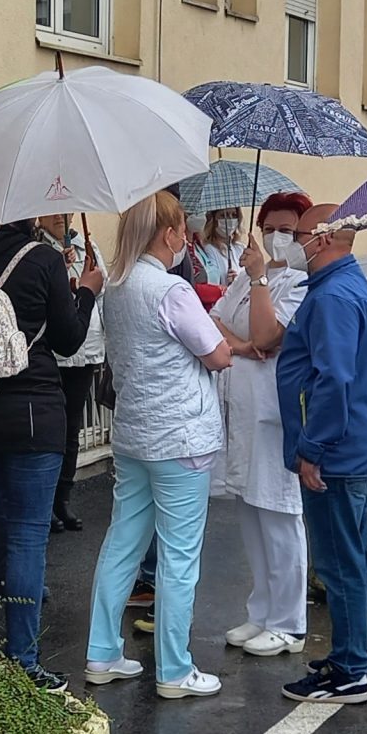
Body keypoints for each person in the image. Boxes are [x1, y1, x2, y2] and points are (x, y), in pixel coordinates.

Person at [0, 207, 103, 688]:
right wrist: (87, 289)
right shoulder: (43, 261)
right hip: (32, 414)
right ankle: (23, 662)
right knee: (27, 537)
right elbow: (69, 342)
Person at [83, 190, 234, 701]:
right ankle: (174, 668)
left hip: (134, 434)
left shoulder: (117, 287)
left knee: (122, 542)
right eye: (182, 229)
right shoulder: (170, 289)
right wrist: (220, 332)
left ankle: (102, 653)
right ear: (170, 234)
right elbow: (216, 356)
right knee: (179, 556)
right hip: (181, 437)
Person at [277, 207, 367, 704]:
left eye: (296, 234)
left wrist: (311, 449)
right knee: (354, 557)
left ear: (322, 240)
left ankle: (348, 671)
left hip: (336, 452)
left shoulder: (333, 298)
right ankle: (362, 658)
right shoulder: (344, 288)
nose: (289, 242)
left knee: (339, 562)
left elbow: (333, 380)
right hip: (352, 445)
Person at [211, 193, 313, 659]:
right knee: (250, 512)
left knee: (279, 512)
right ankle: (261, 611)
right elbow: (215, 326)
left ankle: (289, 621)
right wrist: (241, 344)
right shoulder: (248, 277)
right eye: (271, 226)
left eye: (289, 230)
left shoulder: (298, 284)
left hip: (275, 411)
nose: (278, 236)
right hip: (241, 410)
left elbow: (270, 336)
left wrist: (256, 284)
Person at [41, 215, 107, 530]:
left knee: (72, 429)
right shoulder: (37, 246)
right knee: (50, 431)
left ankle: (63, 498)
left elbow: (102, 293)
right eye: (53, 211)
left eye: (66, 210)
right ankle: (46, 501)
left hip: (86, 347)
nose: (60, 217)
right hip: (53, 353)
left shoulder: (87, 246)